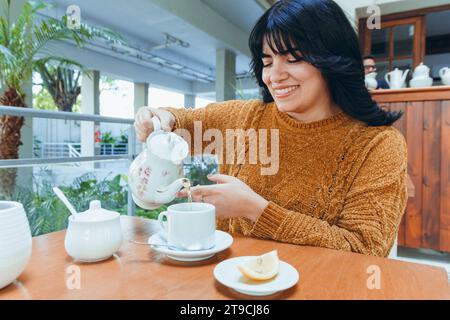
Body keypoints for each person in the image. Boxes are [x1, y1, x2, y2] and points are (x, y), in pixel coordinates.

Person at [134, 0, 408, 257]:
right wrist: (159, 118)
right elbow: (182, 123)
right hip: (228, 282)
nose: (274, 76)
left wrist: (256, 210)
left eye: (292, 59)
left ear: (332, 60)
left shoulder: (378, 144)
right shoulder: (246, 117)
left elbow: (366, 250)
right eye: (267, 62)